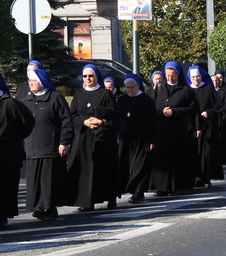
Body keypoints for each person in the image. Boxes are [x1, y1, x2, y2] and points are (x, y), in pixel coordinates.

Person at [21, 69, 72, 220]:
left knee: (48, 181)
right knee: (34, 182)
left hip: (50, 147)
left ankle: (44, 207)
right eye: (30, 81)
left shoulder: (55, 99)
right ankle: (43, 207)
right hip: (31, 149)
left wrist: (64, 141)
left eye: (34, 81)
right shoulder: (26, 101)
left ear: (42, 82)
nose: (31, 84)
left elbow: (66, 122)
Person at [67, 64, 118, 212]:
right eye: (85, 76)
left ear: (96, 77)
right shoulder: (78, 94)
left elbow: (115, 116)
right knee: (84, 169)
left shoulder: (105, 94)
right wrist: (84, 122)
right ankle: (86, 201)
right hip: (83, 137)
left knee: (103, 168)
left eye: (91, 76)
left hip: (103, 138)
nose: (88, 79)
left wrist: (101, 122)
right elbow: (73, 116)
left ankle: (110, 197)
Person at [151, 61, 197, 195]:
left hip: (178, 129)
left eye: (173, 76)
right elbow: (152, 105)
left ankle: (177, 185)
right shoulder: (160, 87)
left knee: (177, 158)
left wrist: (174, 112)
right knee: (162, 159)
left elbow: (192, 108)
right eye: (168, 75)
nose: (170, 78)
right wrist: (161, 110)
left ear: (178, 75)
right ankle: (162, 187)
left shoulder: (185, 89)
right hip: (162, 129)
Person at [0, 73, 35, 228]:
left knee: (5, 187)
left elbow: (28, 123)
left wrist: (15, 138)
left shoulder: (10, 104)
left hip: (8, 156)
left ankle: (2, 216)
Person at [116, 73, 157, 204]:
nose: (129, 90)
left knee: (140, 166)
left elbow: (153, 122)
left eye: (131, 87)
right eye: (126, 87)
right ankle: (130, 189)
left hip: (142, 139)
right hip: (125, 140)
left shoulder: (147, 101)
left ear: (137, 86)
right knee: (127, 165)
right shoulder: (121, 100)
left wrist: (152, 140)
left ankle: (139, 192)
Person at [187, 66, 224, 187]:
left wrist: (209, 112)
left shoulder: (208, 88)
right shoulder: (188, 90)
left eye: (197, 76)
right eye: (193, 77)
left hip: (207, 126)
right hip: (192, 127)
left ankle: (206, 176)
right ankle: (196, 177)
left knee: (206, 153)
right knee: (193, 153)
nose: (196, 79)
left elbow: (219, 107)